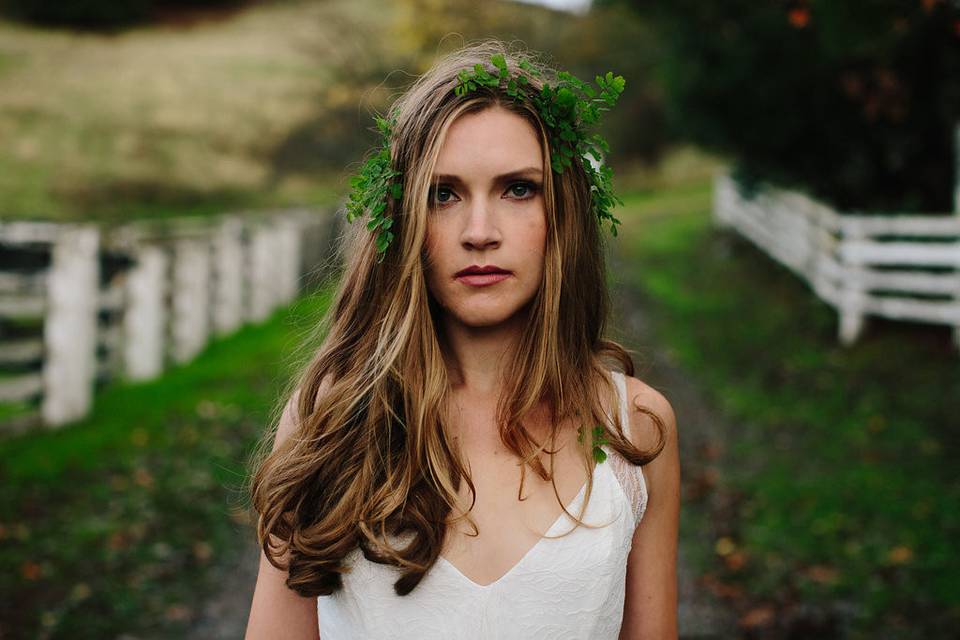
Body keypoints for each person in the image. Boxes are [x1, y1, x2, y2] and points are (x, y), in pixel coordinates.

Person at [244, 39, 679, 640]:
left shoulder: (636, 426)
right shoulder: (330, 416)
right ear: (404, 224)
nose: (480, 232)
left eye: (518, 189)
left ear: (565, 214)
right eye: (443, 194)